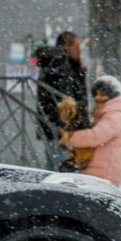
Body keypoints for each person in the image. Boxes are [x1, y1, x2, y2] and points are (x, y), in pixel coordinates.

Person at [60, 76, 121, 188]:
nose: (98, 98)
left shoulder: (114, 116)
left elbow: (95, 137)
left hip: (103, 173)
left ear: (112, 97)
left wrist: (71, 138)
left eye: (103, 94)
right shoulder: (102, 115)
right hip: (96, 171)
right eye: (96, 94)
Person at [35, 32, 89, 170]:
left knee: (56, 165)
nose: (80, 49)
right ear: (66, 46)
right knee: (63, 168)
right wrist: (63, 122)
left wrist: (78, 68)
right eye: (77, 44)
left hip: (61, 125)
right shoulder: (59, 62)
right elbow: (65, 96)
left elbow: (76, 92)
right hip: (60, 126)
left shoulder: (65, 64)